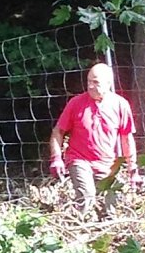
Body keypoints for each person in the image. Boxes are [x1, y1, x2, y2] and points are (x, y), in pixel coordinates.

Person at [48, 62, 138, 214]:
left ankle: (108, 232)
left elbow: (126, 138)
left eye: (95, 82)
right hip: (79, 159)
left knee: (113, 207)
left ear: (108, 83)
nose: (90, 86)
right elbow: (58, 132)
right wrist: (56, 158)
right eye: (89, 81)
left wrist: (132, 167)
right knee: (87, 197)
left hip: (108, 164)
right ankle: (81, 228)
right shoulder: (76, 103)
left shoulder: (120, 105)